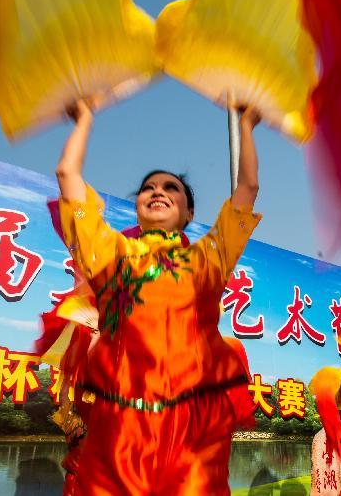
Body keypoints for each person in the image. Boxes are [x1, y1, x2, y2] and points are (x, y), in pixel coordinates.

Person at [56, 99, 263, 495]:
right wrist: (84, 120)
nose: (158, 192)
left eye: (172, 188)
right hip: (119, 428)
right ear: (136, 208)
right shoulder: (109, 254)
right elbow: (67, 175)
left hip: (192, 432)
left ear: (189, 213)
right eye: (148, 188)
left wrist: (248, 126)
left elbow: (248, 188)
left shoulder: (209, 258)